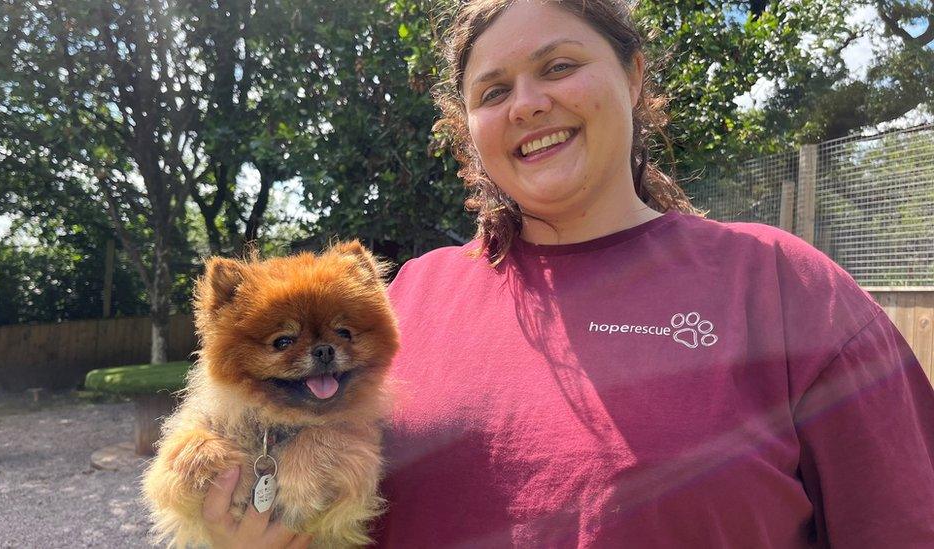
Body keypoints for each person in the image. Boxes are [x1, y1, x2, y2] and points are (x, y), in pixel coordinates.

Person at [201, 0, 934, 547]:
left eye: (558, 66)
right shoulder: (404, 304)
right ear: (469, 128)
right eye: (492, 91)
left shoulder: (785, 287)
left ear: (634, 75)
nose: (528, 104)